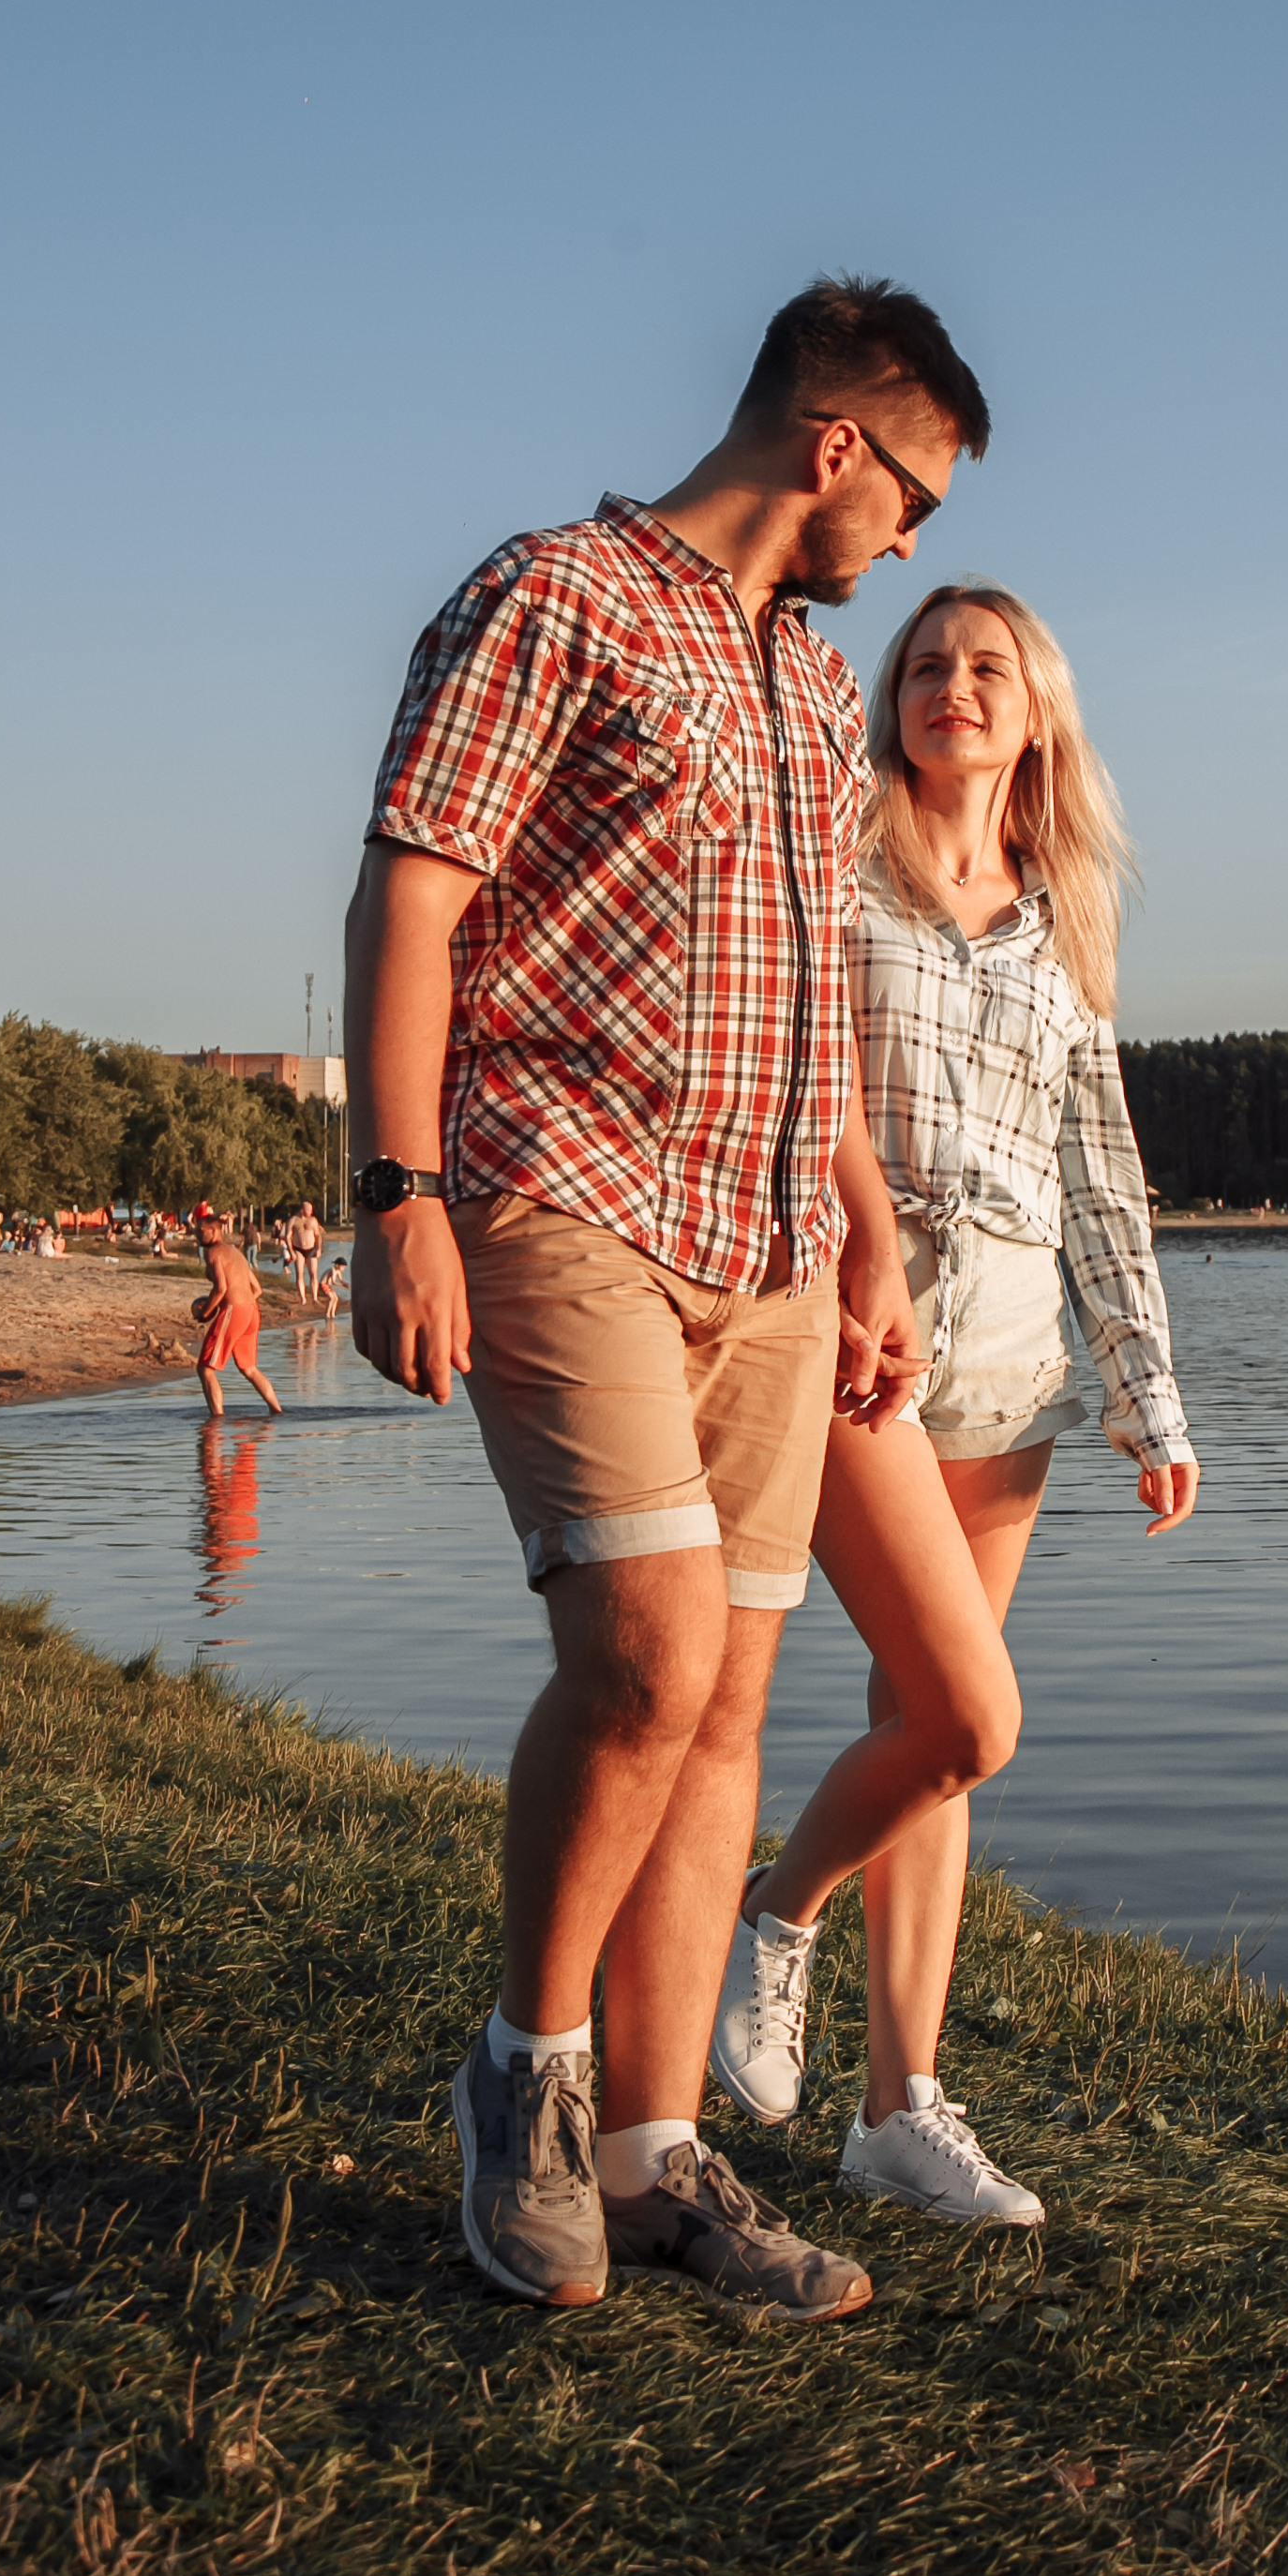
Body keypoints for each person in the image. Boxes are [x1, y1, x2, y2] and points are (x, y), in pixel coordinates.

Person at [346, 274, 989, 2320]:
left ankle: (647, 2154)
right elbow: (413, 890)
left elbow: (809, 1003)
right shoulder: (550, 597)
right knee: (632, 1655)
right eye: (914, 499)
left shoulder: (813, 695)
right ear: (835, 446)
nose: (911, 545)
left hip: (775, 1248)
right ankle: (517, 2085)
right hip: (562, 1191)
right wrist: (394, 1191)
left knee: (721, 1701)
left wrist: (868, 1226)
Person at [711, 583, 1198, 2224]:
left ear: (1037, 711)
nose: (952, 685)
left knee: (929, 1743)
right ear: (895, 700)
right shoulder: (839, 854)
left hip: (1011, 1367)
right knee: (964, 1709)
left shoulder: (1063, 909)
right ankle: (773, 1919)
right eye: (927, 662)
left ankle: (898, 2109)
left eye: (987, 667)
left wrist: (1150, 1393)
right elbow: (785, 1062)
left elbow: (1102, 1169)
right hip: (856, 1342)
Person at [192, 1211, 284, 1420]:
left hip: (235, 1311)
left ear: (214, 1231)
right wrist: (240, 1303)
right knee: (249, 1368)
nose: (196, 1234)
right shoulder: (235, 1252)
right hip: (251, 1311)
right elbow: (257, 1289)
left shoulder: (214, 1252)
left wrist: (205, 1313)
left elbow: (221, 1289)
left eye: (200, 1231)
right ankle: (277, 1411)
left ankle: (216, 1421)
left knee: (205, 1368)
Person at [288, 1200, 324, 1301]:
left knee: (313, 1273)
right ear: (302, 1210)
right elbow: (288, 1236)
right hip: (298, 1249)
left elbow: (318, 1235)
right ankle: (303, 1298)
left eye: (311, 1210)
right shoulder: (294, 1220)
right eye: (309, 1210)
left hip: (311, 1249)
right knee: (300, 1273)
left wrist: (319, 1249)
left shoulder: (313, 1220)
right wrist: (291, 1252)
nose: (311, 1212)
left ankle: (315, 1298)